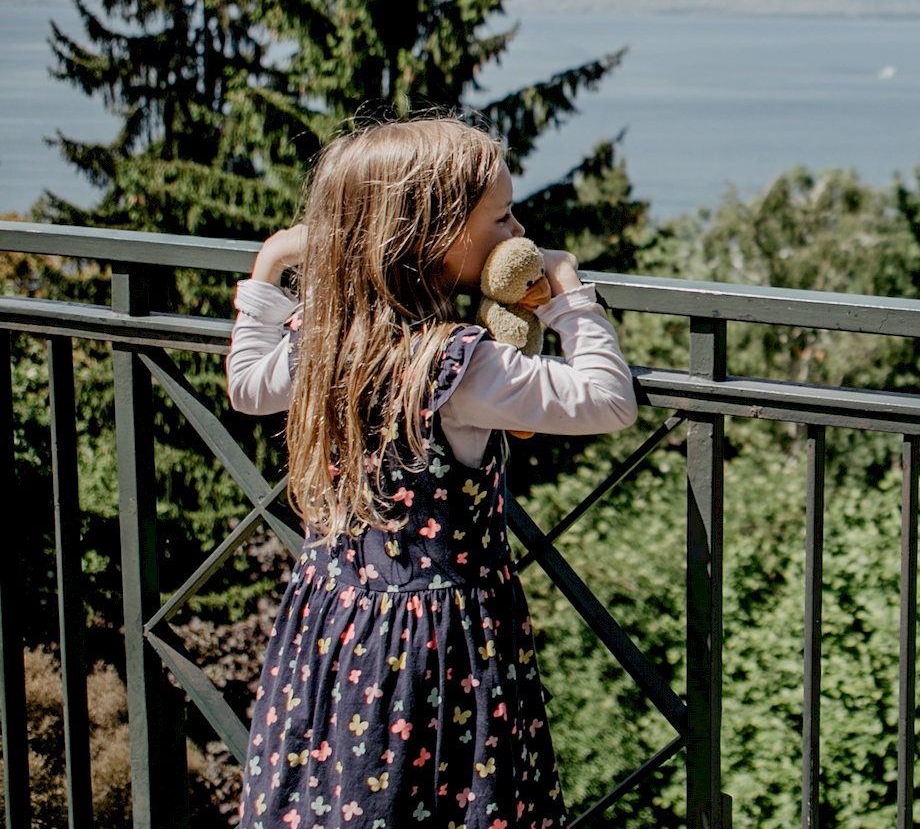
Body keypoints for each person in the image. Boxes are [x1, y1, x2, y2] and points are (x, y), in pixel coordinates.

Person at [226, 117, 639, 829]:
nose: (520, 231)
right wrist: (572, 294)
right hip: (438, 651)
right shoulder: (462, 365)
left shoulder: (329, 338)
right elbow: (608, 401)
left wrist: (269, 268)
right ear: (438, 234)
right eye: (502, 215)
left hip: (333, 625)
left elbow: (247, 388)